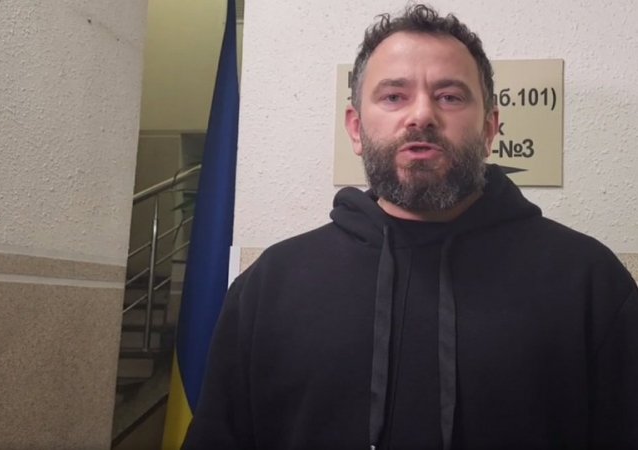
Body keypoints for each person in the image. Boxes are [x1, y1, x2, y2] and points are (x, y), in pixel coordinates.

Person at [183, 4, 638, 449]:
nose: (421, 115)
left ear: (489, 129)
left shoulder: (590, 283)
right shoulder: (270, 285)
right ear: (356, 129)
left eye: (450, 96)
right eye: (394, 96)